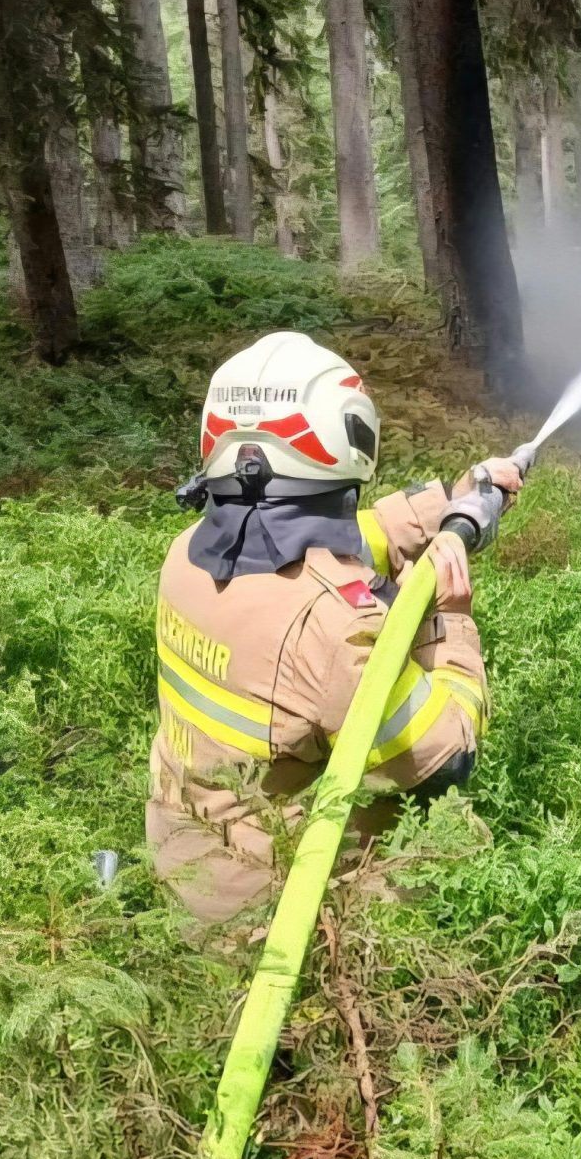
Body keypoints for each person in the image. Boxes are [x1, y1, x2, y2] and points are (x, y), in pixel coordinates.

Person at [148, 330, 522, 926]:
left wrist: (447, 501)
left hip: (190, 857)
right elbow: (447, 758)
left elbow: (326, 547)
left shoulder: (189, 553)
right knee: (453, 828)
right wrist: (449, 618)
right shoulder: (333, 631)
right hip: (272, 907)